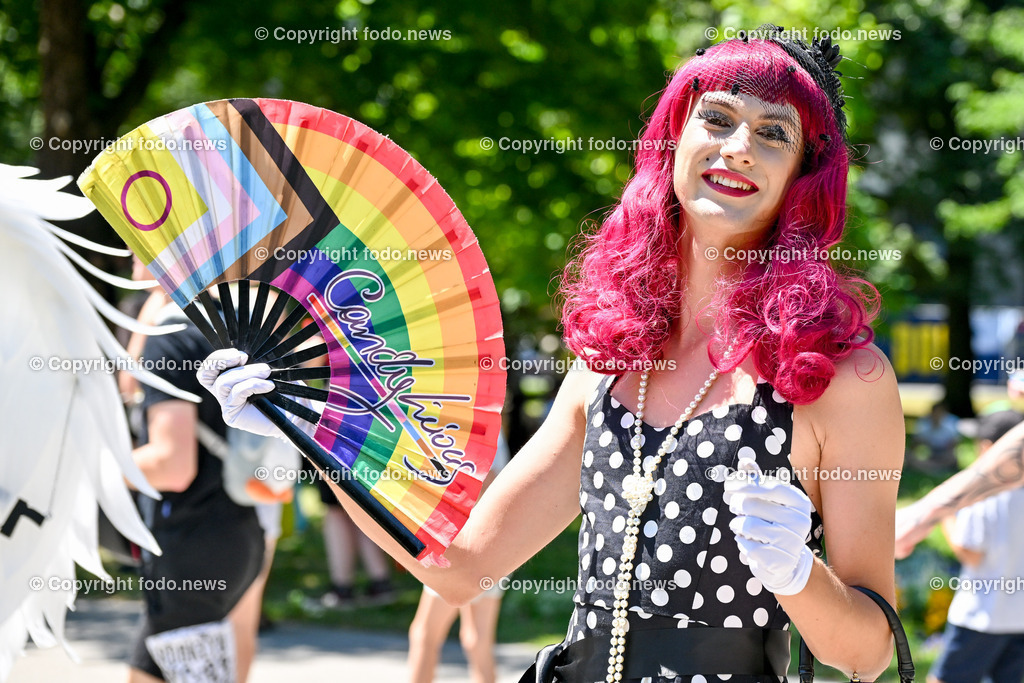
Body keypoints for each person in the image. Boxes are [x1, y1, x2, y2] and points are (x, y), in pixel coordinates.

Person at [200, 26, 905, 682]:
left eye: (774, 133)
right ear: (673, 141)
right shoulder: (611, 359)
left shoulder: (842, 378)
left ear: (803, 175)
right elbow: (461, 568)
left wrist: (797, 574)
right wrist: (314, 426)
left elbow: (870, 652)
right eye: (717, 118)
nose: (739, 147)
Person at [127, 281, 265, 683]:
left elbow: (172, 465)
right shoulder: (235, 328)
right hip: (241, 531)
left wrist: (91, 469)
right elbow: (130, 386)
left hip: (190, 544)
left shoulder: (171, 339)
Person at [928, 409, 1024, 683]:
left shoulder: (981, 496)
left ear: (988, 447)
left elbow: (970, 554)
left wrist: (946, 517)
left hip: (981, 614)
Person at [407, 430, 510, 683]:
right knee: (476, 640)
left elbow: (485, 486)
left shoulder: (472, 428)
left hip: (464, 546)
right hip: (494, 546)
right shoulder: (487, 427)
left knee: (424, 635)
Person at [909, 402, 961, 473]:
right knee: (910, 457)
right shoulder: (923, 423)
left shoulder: (952, 422)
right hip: (930, 452)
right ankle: (936, 468)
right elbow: (916, 443)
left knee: (951, 458)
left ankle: (932, 468)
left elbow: (955, 442)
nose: (937, 415)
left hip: (945, 452)